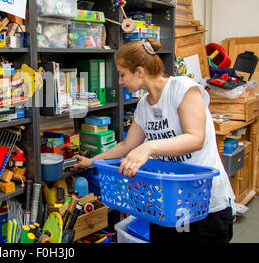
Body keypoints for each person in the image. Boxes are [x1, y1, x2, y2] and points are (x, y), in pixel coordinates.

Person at [76, 38, 235, 243]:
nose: (120, 81)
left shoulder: (183, 88)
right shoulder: (144, 105)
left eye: (122, 74)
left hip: (205, 203)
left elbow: (196, 138)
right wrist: (92, 161)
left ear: (140, 71)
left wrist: (149, 147)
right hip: (168, 205)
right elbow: (127, 145)